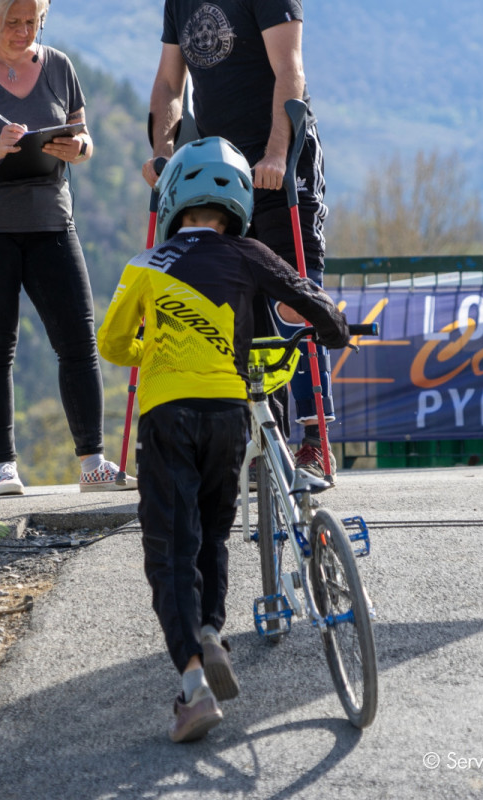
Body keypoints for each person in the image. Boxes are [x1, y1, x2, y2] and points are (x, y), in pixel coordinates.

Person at [98, 138, 349, 742]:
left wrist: (147, 348)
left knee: (170, 547)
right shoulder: (248, 252)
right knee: (213, 533)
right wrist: (337, 331)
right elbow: (311, 301)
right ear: (235, 202)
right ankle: (211, 631)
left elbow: (110, 344)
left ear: (173, 200)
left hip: (167, 415)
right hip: (228, 414)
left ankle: (193, 685)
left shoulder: (145, 265)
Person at [0, 0, 134, 496]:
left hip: (51, 224)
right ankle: (3, 467)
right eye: (12, 22)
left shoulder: (59, 66)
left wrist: (77, 148)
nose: (23, 31)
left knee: (78, 341)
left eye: (32, 22)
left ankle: (93, 463)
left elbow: (84, 137)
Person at [141, 0, 340, 482]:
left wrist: (276, 153)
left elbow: (289, 70)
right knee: (235, 303)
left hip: (280, 164)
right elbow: (170, 82)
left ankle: (315, 441)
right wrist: (162, 152)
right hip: (218, 170)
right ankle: (263, 440)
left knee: (293, 301)